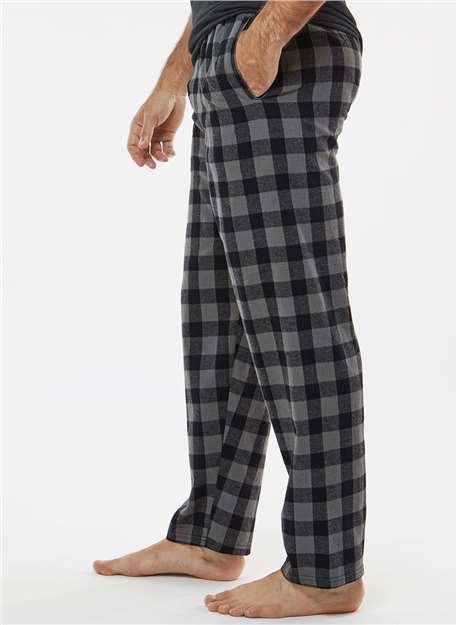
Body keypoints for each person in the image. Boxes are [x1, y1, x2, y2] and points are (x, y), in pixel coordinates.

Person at [94, 0, 366, 618]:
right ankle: (209, 536)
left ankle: (326, 572)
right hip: (230, 56)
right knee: (220, 314)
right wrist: (176, 79)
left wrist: (265, 37)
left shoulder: (268, 39)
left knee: (298, 320)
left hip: (281, 47)